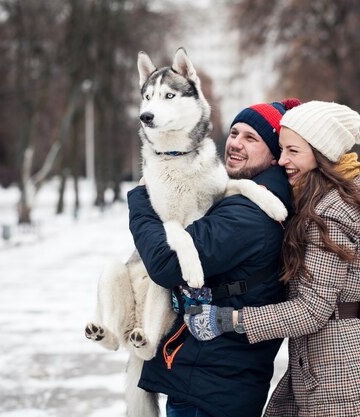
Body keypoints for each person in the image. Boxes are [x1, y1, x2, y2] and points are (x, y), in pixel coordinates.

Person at [185, 100, 360, 416]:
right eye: (282, 149)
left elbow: (312, 310)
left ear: (320, 154)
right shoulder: (316, 204)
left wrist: (229, 319)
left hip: (341, 370)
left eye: (293, 151)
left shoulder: (327, 216)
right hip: (330, 357)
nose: (282, 160)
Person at [126, 99, 301, 417]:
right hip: (218, 380)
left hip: (209, 387)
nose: (236, 143)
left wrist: (141, 200)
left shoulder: (246, 214)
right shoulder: (249, 200)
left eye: (252, 138)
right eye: (235, 133)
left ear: (276, 154)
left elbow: (167, 266)